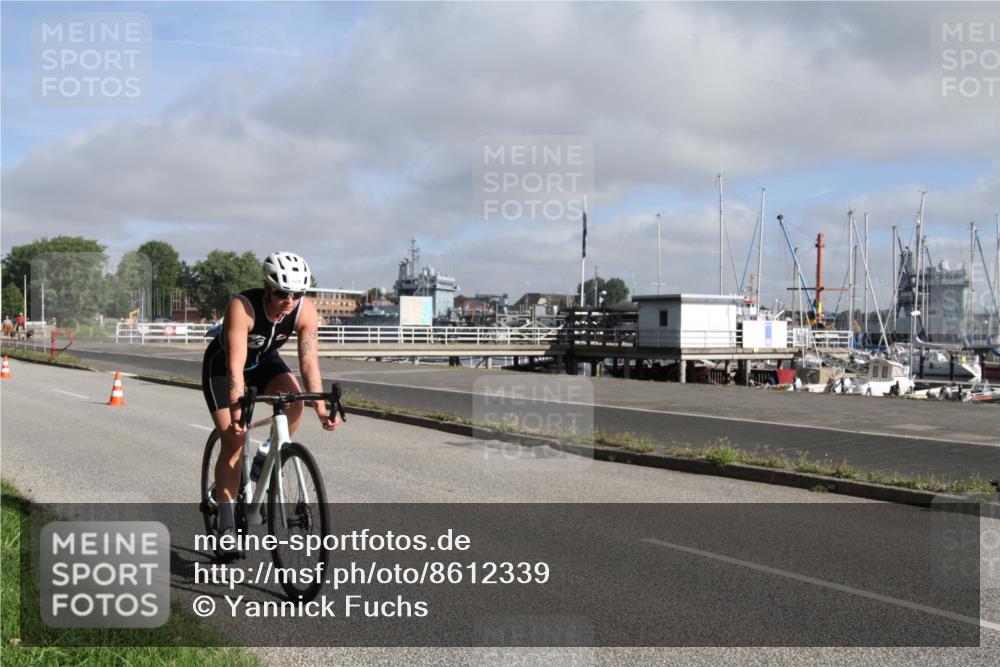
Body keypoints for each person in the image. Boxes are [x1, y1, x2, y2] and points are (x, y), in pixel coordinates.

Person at [201, 251, 339, 558]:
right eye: (281, 294)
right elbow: (235, 365)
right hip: (224, 368)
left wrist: (321, 408)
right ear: (267, 287)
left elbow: (308, 362)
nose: (288, 301)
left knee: (296, 403)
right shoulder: (243, 307)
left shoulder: (304, 311)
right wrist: (237, 410)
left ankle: (265, 455)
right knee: (234, 440)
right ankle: (225, 525)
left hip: (264, 363)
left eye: (296, 294)